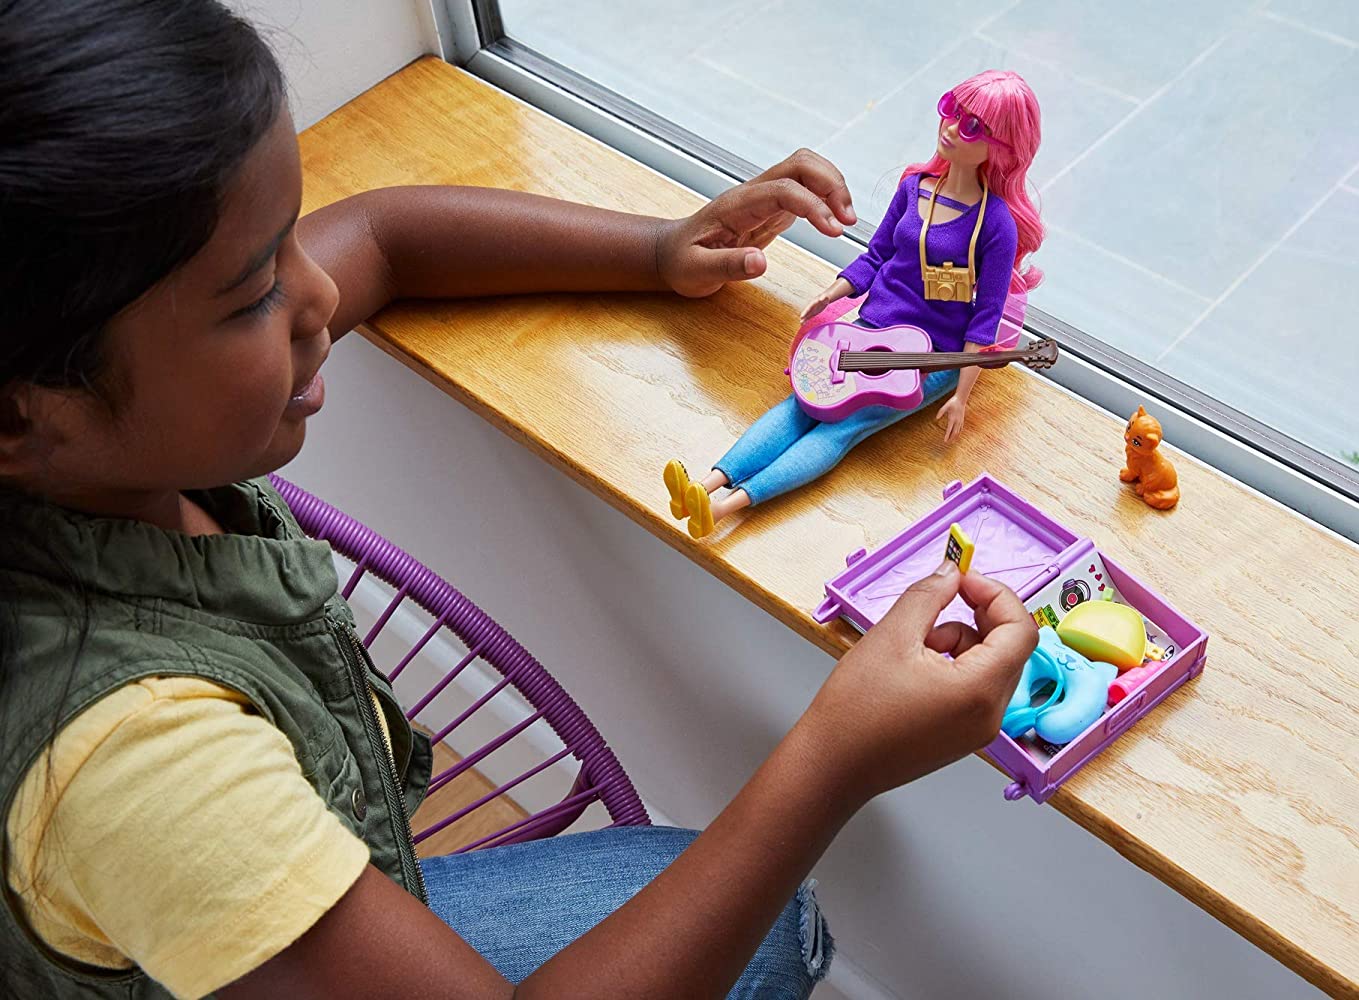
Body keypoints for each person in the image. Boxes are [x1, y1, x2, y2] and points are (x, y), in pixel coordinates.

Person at [0, 3, 1038, 997]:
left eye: (290, 241)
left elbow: (385, 238)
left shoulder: (89, 442)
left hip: (253, 900)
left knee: (766, 921)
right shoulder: (133, 766)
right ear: (20, 411)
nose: (318, 293)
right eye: (253, 294)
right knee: (767, 924)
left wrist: (655, 250)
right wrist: (833, 758)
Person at [664, 70, 1045, 540]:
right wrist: (835, 291)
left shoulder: (996, 223)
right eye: (953, 109)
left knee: (841, 427)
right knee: (803, 403)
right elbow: (877, 255)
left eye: (972, 126)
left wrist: (961, 397)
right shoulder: (915, 187)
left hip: (929, 356)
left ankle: (725, 509)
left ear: (1001, 148)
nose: (950, 127)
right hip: (868, 326)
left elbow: (984, 320)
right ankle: (704, 485)